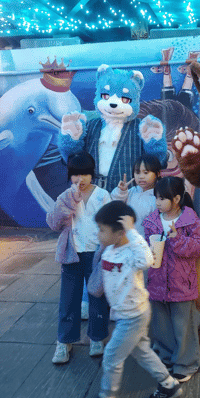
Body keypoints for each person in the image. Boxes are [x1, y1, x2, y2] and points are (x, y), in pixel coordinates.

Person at [78, 201, 183, 398]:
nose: (98, 234)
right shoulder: (109, 250)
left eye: (102, 230)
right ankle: (169, 384)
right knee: (142, 352)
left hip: (133, 316)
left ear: (119, 233)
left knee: (111, 357)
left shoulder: (132, 252)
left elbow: (147, 260)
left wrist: (132, 232)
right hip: (124, 314)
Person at [46, 151, 126, 364]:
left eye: (84, 174)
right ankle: (64, 342)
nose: (79, 179)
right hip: (72, 255)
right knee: (68, 300)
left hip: (97, 255)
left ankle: (97, 338)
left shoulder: (102, 195)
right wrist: (68, 202)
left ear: (92, 174)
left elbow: (112, 223)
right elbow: (53, 223)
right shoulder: (66, 195)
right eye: (75, 174)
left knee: (98, 298)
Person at [143, 176, 200, 384]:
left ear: (177, 199)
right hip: (156, 282)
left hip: (182, 284)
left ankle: (186, 363)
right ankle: (166, 357)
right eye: (156, 198)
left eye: (162, 198)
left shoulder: (190, 220)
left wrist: (177, 238)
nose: (158, 202)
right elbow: (146, 246)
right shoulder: (151, 220)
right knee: (161, 325)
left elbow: (198, 247)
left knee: (183, 326)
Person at [118, 154, 162, 237]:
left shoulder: (159, 197)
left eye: (146, 173)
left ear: (158, 173)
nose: (141, 177)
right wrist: (122, 191)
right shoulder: (131, 191)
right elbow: (117, 204)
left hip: (146, 241)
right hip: (126, 239)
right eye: (137, 173)